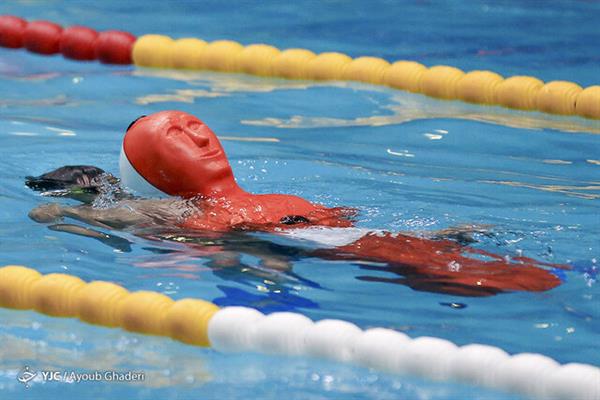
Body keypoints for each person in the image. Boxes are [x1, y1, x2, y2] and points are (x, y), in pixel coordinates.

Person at [28, 111, 566, 297]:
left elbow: (51, 214)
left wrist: (64, 208)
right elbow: (344, 222)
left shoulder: (166, 212)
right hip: (304, 221)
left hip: (268, 238)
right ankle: (447, 241)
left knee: (385, 261)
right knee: (391, 248)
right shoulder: (281, 193)